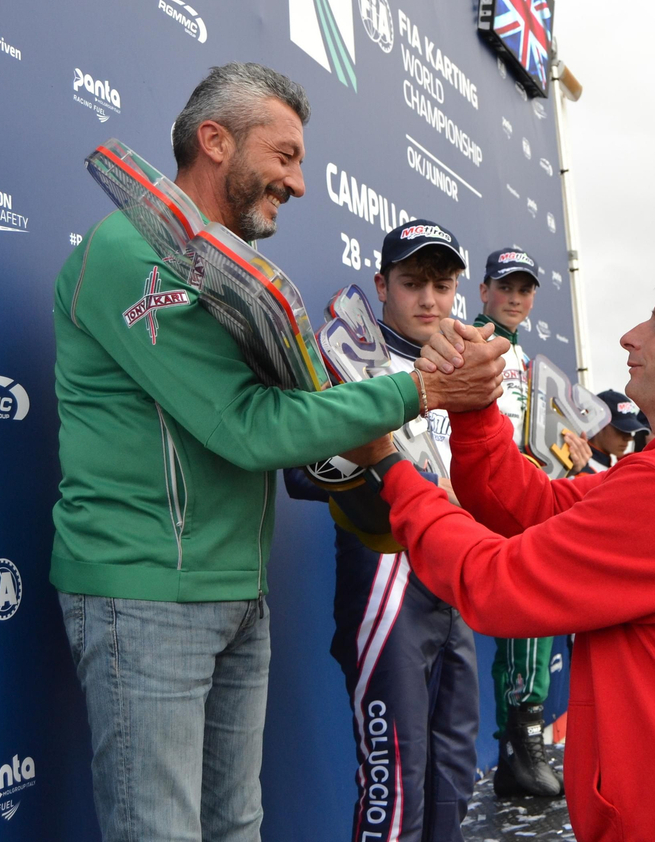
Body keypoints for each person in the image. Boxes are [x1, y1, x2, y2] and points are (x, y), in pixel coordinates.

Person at [49, 64, 497, 842]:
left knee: (237, 827)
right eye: (284, 155)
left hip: (234, 591)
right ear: (215, 141)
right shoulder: (127, 251)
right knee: (160, 831)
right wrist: (416, 393)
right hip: (146, 593)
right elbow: (249, 428)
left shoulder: (226, 268)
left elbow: (282, 418)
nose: (299, 182)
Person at [369, 252, 655, 841]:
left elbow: (498, 586)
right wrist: (478, 405)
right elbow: (527, 509)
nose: (630, 336)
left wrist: (393, 468)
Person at [329, 219, 483, 842]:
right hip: (386, 578)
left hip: (456, 570)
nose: (428, 300)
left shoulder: (467, 363)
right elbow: (305, 473)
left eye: (441, 285)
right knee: (394, 780)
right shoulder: (347, 352)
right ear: (381, 285)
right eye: (412, 282)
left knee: (454, 770)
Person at [473, 246, 569, 799]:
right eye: (505, 286)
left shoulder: (525, 359)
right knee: (526, 608)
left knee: (529, 615)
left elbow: (534, 439)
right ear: (483, 290)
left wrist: (562, 453)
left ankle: (518, 749)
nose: (514, 296)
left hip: (519, 492)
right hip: (487, 494)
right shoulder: (475, 342)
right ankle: (520, 739)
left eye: (525, 288)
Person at [588, 389, 646, 470]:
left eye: (631, 430)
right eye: (622, 429)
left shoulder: (604, 465)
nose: (629, 438)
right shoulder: (580, 468)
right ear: (599, 423)